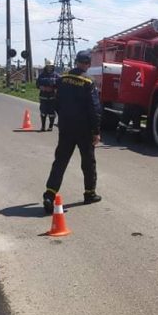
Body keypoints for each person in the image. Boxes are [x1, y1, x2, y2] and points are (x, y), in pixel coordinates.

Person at [43, 50, 102, 214]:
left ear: (76, 62)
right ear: (88, 64)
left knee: (60, 161)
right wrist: (96, 131)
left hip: (66, 127)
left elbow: (56, 102)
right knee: (88, 162)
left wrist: (63, 118)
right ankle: (90, 193)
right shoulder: (88, 82)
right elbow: (94, 108)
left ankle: (49, 195)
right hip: (84, 129)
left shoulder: (62, 79)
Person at [36, 60, 59, 131]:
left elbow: (59, 84)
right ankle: (43, 127)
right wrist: (41, 87)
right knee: (43, 112)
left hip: (52, 97)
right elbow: (37, 84)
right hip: (43, 97)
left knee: (52, 113)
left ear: (53, 67)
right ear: (46, 67)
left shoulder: (56, 75)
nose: (49, 68)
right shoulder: (41, 75)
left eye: (51, 66)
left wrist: (54, 88)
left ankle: (50, 127)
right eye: (48, 66)